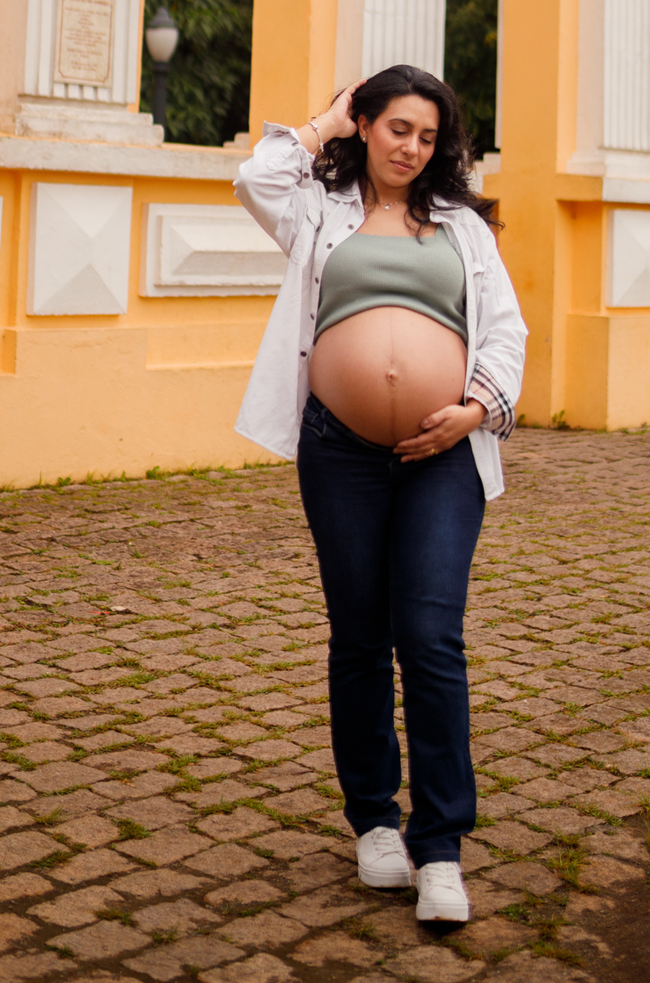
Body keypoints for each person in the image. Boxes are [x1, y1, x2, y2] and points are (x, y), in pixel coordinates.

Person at [234, 64, 527, 924]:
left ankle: (440, 846)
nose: (413, 147)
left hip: (444, 452)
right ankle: (374, 822)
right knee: (359, 636)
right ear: (367, 125)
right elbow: (259, 174)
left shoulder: (464, 228)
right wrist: (326, 118)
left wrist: (473, 407)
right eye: (399, 127)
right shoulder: (315, 211)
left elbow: (504, 329)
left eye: (429, 136)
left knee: (431, 638)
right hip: (341, 452)